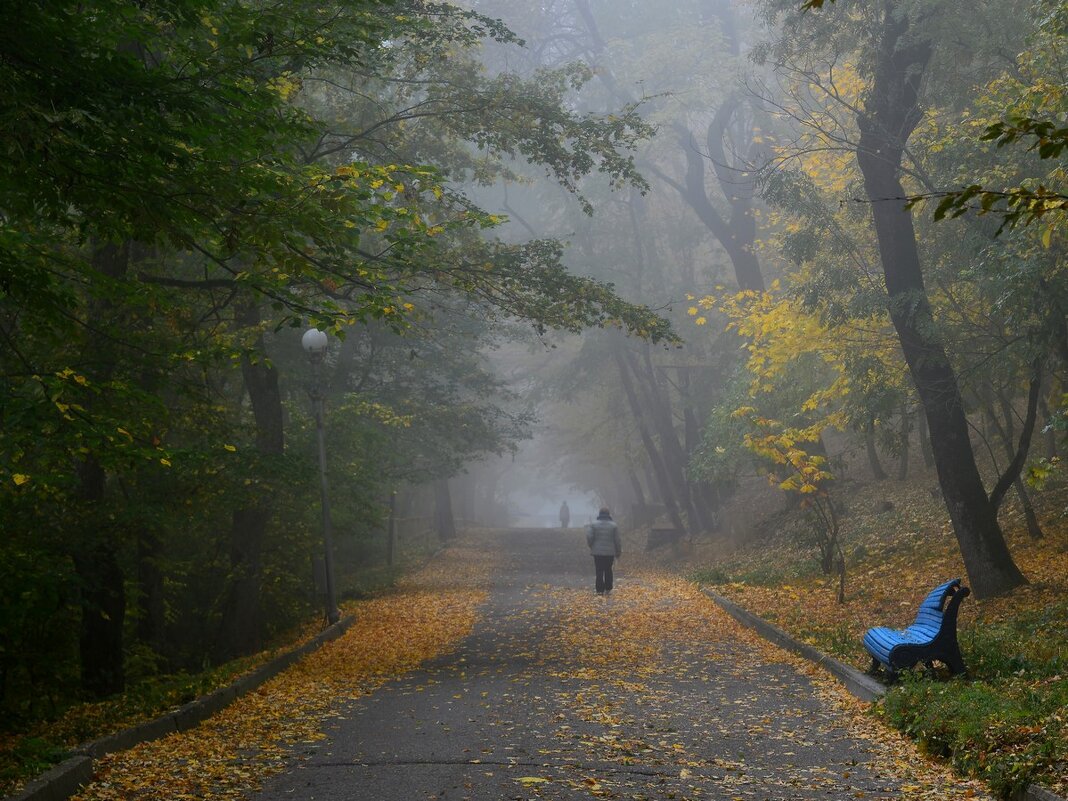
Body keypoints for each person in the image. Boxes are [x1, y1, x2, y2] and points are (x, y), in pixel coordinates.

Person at [586, 506, 621, 595]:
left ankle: (599, 590)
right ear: (608, 514)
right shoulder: (613, 525)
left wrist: (591, 545)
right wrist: (618, 551)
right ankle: (608, 588)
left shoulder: (593, 524)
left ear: (599, 514)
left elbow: (589, 536)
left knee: (599, 570)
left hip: (597, 552)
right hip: (610, 553)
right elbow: (617, 540)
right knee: (608, 569)